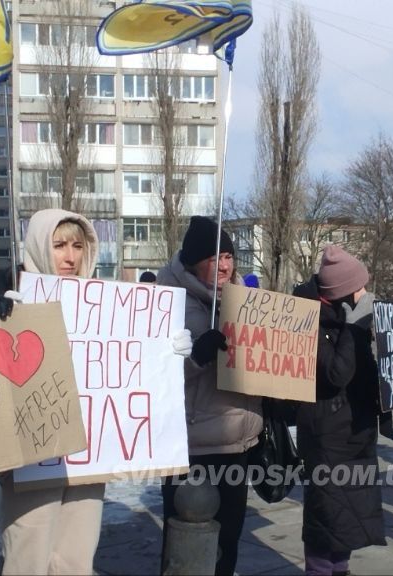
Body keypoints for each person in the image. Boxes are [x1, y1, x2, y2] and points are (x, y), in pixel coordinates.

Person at [0, 209, 191, 574]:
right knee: (28, 561)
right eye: (58, 246)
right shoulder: (9, 303)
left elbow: (125, 362)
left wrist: (166, 347)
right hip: (30, 461)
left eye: (78, 246)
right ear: (39, 246)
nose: (71, 257)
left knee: (75, 561)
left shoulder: (104, 306)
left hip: (88, 457)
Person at [156, 215, 263, 576]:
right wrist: (198, 356)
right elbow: (152, 370)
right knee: (185, 546)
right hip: (192, 446)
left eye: (229, 256)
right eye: (214, 257)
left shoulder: (244, 299)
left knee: (226, 541)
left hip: (237, 442)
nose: (224, 265)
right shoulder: (166, 299)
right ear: (192, 261)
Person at [291, 245, 386, 575]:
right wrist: (356, 328)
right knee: (327, 514)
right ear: (341, 292)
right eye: (358, 288)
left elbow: (363, 372)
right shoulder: (307, 319)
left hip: (355, 432)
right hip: (325, 436)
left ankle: (340, 570)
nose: (364, 294)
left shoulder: (346, 319)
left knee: (350, 514)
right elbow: (335, 374)